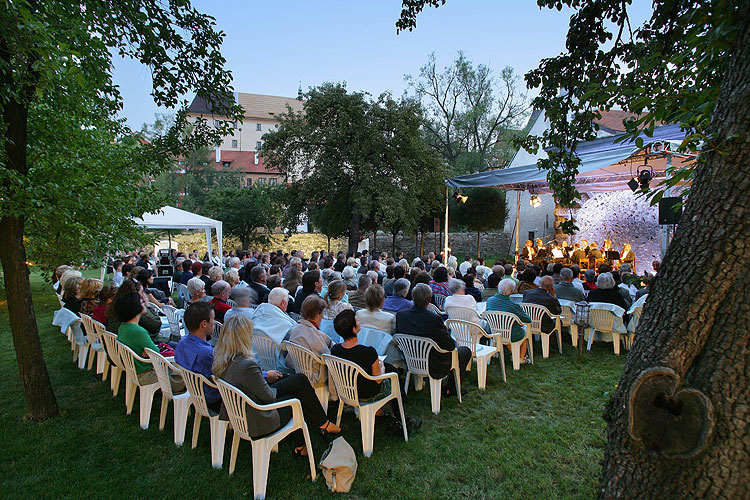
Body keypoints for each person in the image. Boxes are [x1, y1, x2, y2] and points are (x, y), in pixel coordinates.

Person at [213, 315, 340, 457]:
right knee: (297, 395)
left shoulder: (221, 359)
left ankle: (312, 435)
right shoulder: (247, 365)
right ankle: (322, 425)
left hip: (241, 412)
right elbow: (268, 396)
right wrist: (266, 380)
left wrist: (266, 376)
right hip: (260, 417)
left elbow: (245, 382)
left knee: (296, 381)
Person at [395, 283, 471, 397]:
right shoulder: (433, 319)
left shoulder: (401, 315)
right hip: (434, 362)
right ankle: (452, 388)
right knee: (465, 351)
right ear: (430, 299)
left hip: (410, 358)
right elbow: (449, 346)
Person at [331, 310, 403, 418]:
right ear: (354, 329)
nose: (359, 322)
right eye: (357, 321)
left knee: (390, 368)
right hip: (367, 393)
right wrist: (381, 366)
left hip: (346, 390)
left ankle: (380, 412)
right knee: (391, 375)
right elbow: (378, 379)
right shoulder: (368, 352)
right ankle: (396, 414)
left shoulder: (335, 350)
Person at [115, 292, 184, 392]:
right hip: (149, 373)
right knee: (187, 378)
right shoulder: (138, 331)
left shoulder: (123, 327)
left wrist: (148, 351)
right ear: (135, 308)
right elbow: (156, 352)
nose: (144, 304)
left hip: (137, 371)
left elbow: (151, 351)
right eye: (142, 302)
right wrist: (150, 352)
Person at [174, 302, 221, 412]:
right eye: (213, 319)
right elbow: (229, 377)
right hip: (213, 399)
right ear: (204, 324)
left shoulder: (183, 342)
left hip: (195, 392)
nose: (214, 322)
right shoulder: (206, 353)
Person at [288, 295, 332, 385]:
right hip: (314, 376)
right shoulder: (316, 336)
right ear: (317, 316)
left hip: (298, 369)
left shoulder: (294, 327)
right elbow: (329, 357)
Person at [486, 279, 530, 362]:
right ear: (513, 291)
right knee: (525, 332)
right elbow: (527, 320)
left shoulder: (490, 300)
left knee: (508, 331)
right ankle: (520, 357)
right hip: (511, 334)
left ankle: (515, 354)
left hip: (493, 331)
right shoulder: (513, 305)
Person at [522, 275, 563, 342]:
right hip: (543, 325)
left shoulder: (527, 293)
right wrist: (554, 296)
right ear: (551, 287)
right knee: (558, 322)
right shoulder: (550, 299)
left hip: (528, 322)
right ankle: (553, 343)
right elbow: (558, 312)